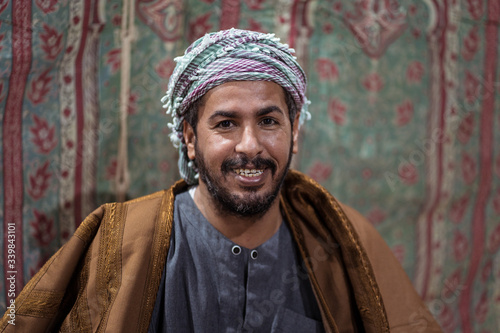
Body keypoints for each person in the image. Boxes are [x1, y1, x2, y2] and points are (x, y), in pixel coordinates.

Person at [0, 29, 442, 332]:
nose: (249, 146)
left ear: (294, 132)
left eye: (268, 121)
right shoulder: (121, 239)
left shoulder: (341, 241)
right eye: (226, 124)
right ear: (190, 138)